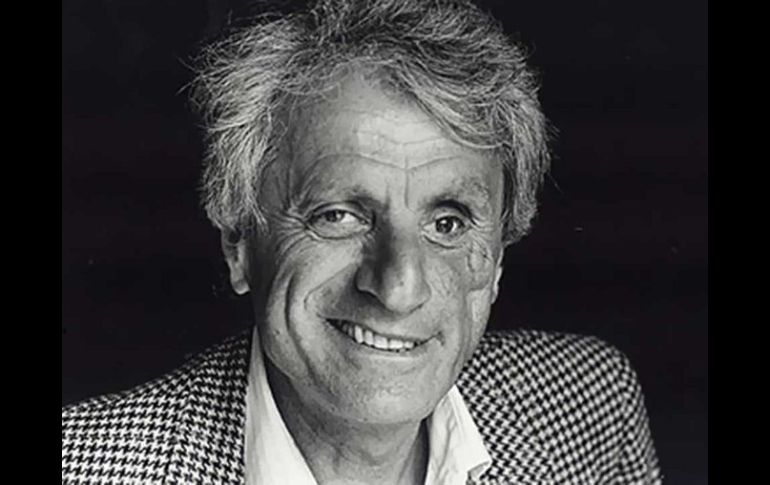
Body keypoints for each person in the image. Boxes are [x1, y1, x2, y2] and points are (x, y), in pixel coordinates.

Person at [62, 0, 662, 483]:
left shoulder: (590, 404)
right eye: (339, 216)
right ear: (239, 241)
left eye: (447, 223)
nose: (398, 287)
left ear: (497, 261)